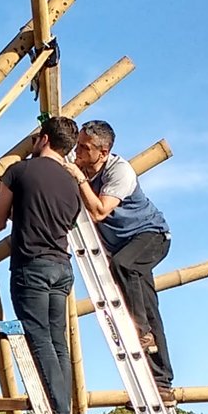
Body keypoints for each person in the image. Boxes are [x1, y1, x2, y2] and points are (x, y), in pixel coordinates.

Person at [0, 115, 86, 414]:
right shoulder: (73, 183)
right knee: (57, 340)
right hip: (62, 267)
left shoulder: (19, 171)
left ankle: (55, 410)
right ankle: (63, 408)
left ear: (43, 139)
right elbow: (55, 220)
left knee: (38, 337)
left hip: (32, 267)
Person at [70, 120, 176, 394]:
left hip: (150, 235)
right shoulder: (79, 161)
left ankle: (141, 331)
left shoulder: (120, 172)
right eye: (78, 144)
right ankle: (162, 381)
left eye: (85, 148)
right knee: (149, 307)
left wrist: (79, 178)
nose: (78, 151)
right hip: (123, 244)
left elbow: (99, 212)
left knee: (123, 265)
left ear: (103, 152)